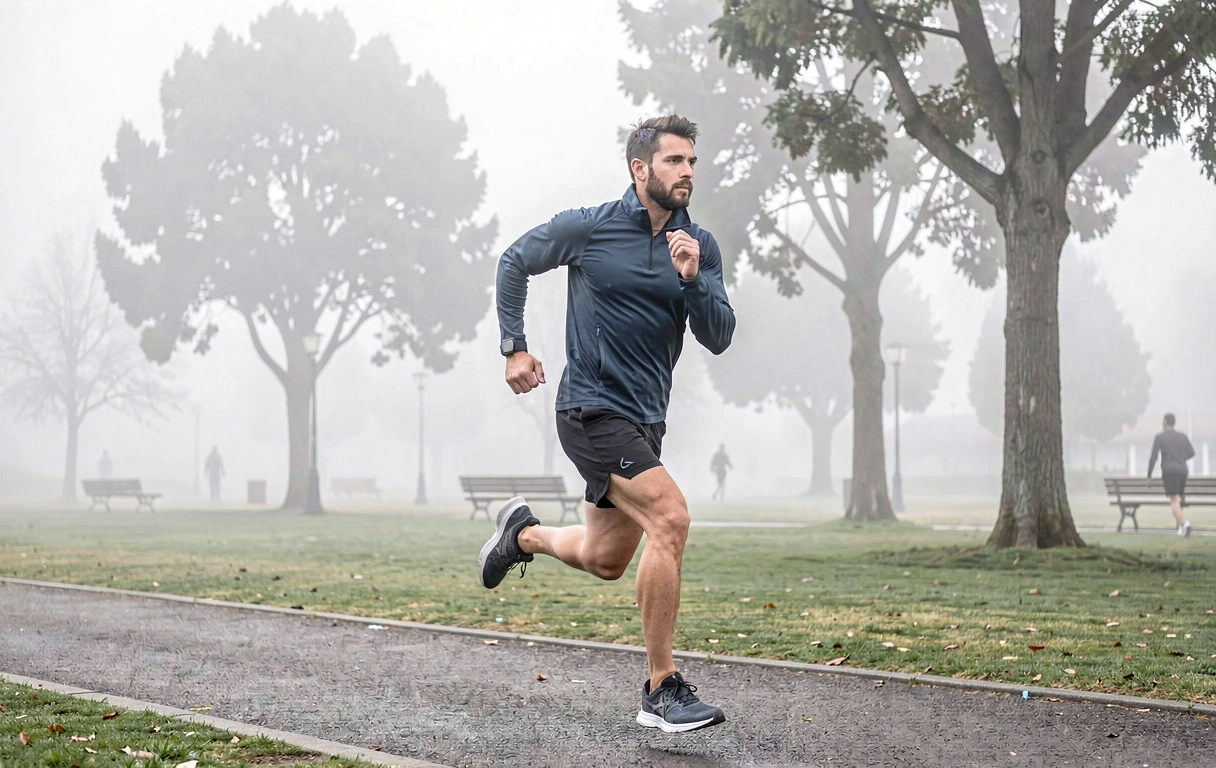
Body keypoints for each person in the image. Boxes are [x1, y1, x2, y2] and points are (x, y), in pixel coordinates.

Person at [477, 115, 735, 733]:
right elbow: (515, 261)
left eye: (693, 162)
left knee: (604, 558)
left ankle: (523, 536)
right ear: (639, 169)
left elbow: (720, 337)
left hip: (646, 420)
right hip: (591, 409)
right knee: (670, 518)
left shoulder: (697, 245)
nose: (688, 173)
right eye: (675, 161)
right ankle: (661, 689)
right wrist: (515, 345)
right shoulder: (590, 228)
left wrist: (694, 280)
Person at [1148, 413, 1195, 536]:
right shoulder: (1182, 436)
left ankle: (1184, 524)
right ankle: (1181, 528)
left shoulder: (1160, 437)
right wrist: (1180, 457)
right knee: (1177, 499)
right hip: (1183, 470)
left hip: (1169, 470)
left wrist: (1149, 475)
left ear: (1164, 421)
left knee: (1173, 500)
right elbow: (1191, 452)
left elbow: (1154, 457)